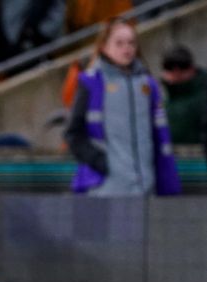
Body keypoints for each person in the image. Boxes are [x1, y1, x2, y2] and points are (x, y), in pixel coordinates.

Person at [64, 18, 180, 196]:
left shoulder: (147, 84)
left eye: (131, 43)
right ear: (104, 46)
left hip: (144, 187)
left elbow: (160, 136)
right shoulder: (91, 82)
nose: (127, 48)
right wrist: (100, 162)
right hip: (105, 189)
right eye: (119, 43)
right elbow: (73, 133)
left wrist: (167, 184)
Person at [159, 45, 207, 146]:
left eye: (183, 66)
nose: (176, 72)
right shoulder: (167, 100)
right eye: (168, 68)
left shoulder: (200, 97)